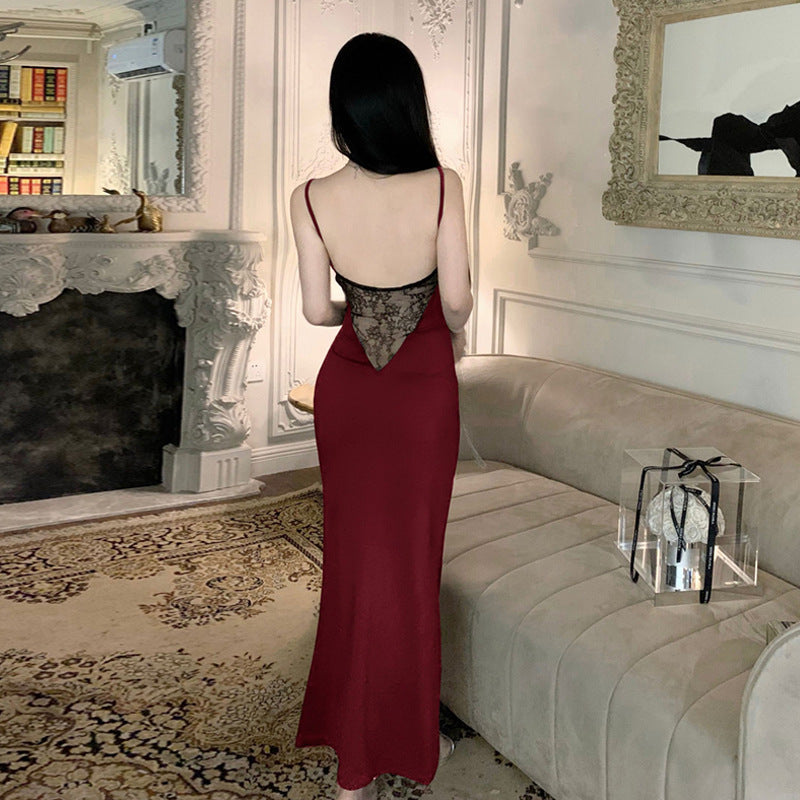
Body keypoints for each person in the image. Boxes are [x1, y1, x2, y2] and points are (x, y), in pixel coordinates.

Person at [289, 31, 473, 800]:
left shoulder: (310, 197)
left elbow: (314, 310)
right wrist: (428, 319)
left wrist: (361, 312)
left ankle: (352, 763)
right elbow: (457, 302)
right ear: (407, 104)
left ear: (344, 110)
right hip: (423, 391)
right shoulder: (443, 185)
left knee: (353, 561)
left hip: (349, 391)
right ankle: (405, 739)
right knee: (411, 563)